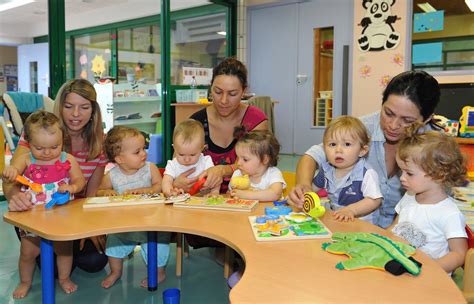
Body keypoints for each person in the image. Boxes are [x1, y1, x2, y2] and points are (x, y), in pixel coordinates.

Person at [288, 70, 441, 228]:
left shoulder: (436, 146)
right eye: (388, 113)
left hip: (405, 226)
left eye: (407, 120)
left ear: (427, 118)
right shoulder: (362, 128)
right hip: (355, 224)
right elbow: (312, 156)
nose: (393, 125)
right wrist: (304, 186)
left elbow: (434, 203)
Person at [4, 79, 109, 273]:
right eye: (69, 106)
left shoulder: (99, 144)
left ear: (93, 110)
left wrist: (94, 227)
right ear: (60, 106)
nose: (76, 114)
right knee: (48, 265)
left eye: (84, 107)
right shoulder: (39, 135)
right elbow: (11, 178)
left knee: (94, 262)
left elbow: (90, 195)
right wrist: (15, 197)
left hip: (71, 214)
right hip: (36, 212)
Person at [3, 111, 86, 298]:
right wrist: (10, 172)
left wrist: (72, 187)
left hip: (61, 215)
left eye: (54, 147)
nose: (47, 153)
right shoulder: (26, 160)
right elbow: (14, 172)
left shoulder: (67, 159)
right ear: (29, 143)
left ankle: (64, 279)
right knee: (27, 253)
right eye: (39, 148)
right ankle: (25, 282)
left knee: (64, 251)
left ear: (62, 141)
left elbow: (81, 181)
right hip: (33, 217)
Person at [175, 57, 269, 194]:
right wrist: (177, 181)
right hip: (203, 199)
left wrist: (222, 170)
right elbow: (176, 162)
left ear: (243, 91)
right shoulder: (197, 123)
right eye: (218, 92)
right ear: (210, 88)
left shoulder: (256, 121)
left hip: (247, 196)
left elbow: (256, 164)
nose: (224, 100)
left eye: (232, 94)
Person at [389, 125, 468, 274]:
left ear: (438, 174)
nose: (402, 178)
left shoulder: (449, 214)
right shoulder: (409, 196)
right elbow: (395, 228)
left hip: (430, 279)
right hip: (402, 267)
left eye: (409, 173)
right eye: (401, 171)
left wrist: (429, 269)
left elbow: (459, 254)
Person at [97, 126, 168, 288]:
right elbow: (100, 191)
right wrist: (106, 193)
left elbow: (159, 186)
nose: (144, 153)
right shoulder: (112, 175)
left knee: (158, 247)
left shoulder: (150, 168)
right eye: (137, 152)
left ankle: (159, 272)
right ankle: (115, 272)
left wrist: (148, 190)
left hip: (151, 224)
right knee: (113, 244)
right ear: (120, 159)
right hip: (124, 226)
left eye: (144, 148)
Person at [312, 116, 382, 223]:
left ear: (362, 150)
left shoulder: (366, 174)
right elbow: (312, 188)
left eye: (347, 144)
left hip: (362, 225)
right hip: (337, 221)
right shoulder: (327, 169)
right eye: (332, 144)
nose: (338, 150)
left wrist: (351, 210)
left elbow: (374, 200)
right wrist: (301, 197)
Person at [162, 119, 219, 197]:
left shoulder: (206, 161)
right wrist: (169, 192)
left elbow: (215, 179)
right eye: (181, 154)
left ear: (202, 148)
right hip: (181, 202)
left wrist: (214, 192)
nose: (187, 159)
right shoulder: (172, 165)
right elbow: (166, 182)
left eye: (192, 155)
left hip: (204, 200)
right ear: (174, 148)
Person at [229, 130, 286, 201]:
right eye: (238, 157)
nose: (238, 163)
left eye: (245, 159)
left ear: (264, 160)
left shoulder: (273, 174)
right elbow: (230, 194)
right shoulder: (238, 174)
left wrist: (245, 194)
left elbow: (275, 194)